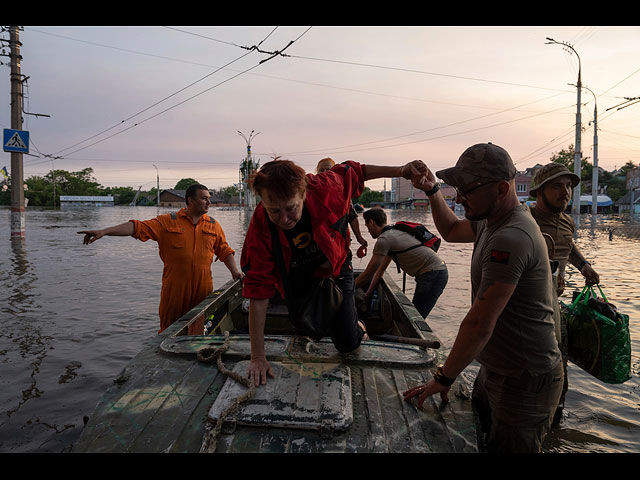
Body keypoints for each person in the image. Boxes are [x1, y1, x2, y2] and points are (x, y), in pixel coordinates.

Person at [402, 143, 563, 453]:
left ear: (502, 189)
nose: (459, 197)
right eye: (457, 188)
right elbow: (449, 229)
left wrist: (444, 377)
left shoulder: (511, 236)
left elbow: (479, 324)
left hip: (525, 380)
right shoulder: (492, 220)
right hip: (494, 369)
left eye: (467, 190)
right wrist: (434, 190)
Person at [240, 157, 428, 387]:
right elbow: (258, 289)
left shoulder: (328, 187)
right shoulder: (261, 224)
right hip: (296, 277)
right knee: (304, 327)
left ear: (304, 193)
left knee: (348, 343)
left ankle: (358, 325)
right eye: (274, 211)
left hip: (337, 268)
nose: (284, 219)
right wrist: (257, 357)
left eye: (291, 208)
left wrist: (401, 170)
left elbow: (357, 171)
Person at [78, 183, 243, 333]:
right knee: (169, 330)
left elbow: (224, 251)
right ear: (191, 200)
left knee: (201, 329)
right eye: (204, 198)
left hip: (203, 289)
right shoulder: (167, 222)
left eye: (209, 199)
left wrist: (235, 272)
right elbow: (136, 227)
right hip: (175, 291)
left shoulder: (213, 225)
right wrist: (104, 231)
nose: (209, 202)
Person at [529, 162, 601, 426]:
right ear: (539, 191)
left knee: (560, 364)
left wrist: (584, 266)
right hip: (528, 304)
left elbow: (567, 246)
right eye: (557, 186)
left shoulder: (566, 221)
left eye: (568, 186)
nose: (565, 192)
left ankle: (554, 421)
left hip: (553, 302)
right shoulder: (526, 220)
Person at [355, 207, 448, 318]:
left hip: (433, 274)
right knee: (416, 316)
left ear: (372, 222)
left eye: (367, 226)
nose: (368, 230)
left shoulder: (384, 240)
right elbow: (380, 271)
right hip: (437, 271)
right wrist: (367, 295)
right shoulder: (395, 232)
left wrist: (347, 289)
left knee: (417, 318)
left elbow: (368, 274)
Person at [316, 157, 368, 253]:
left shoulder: (343, 193)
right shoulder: (312, 195)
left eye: (328, 169)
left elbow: (352, 217)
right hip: (319, 246)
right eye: (321, 170)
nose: (324, 173)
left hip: (340, 243)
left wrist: (359, 237)